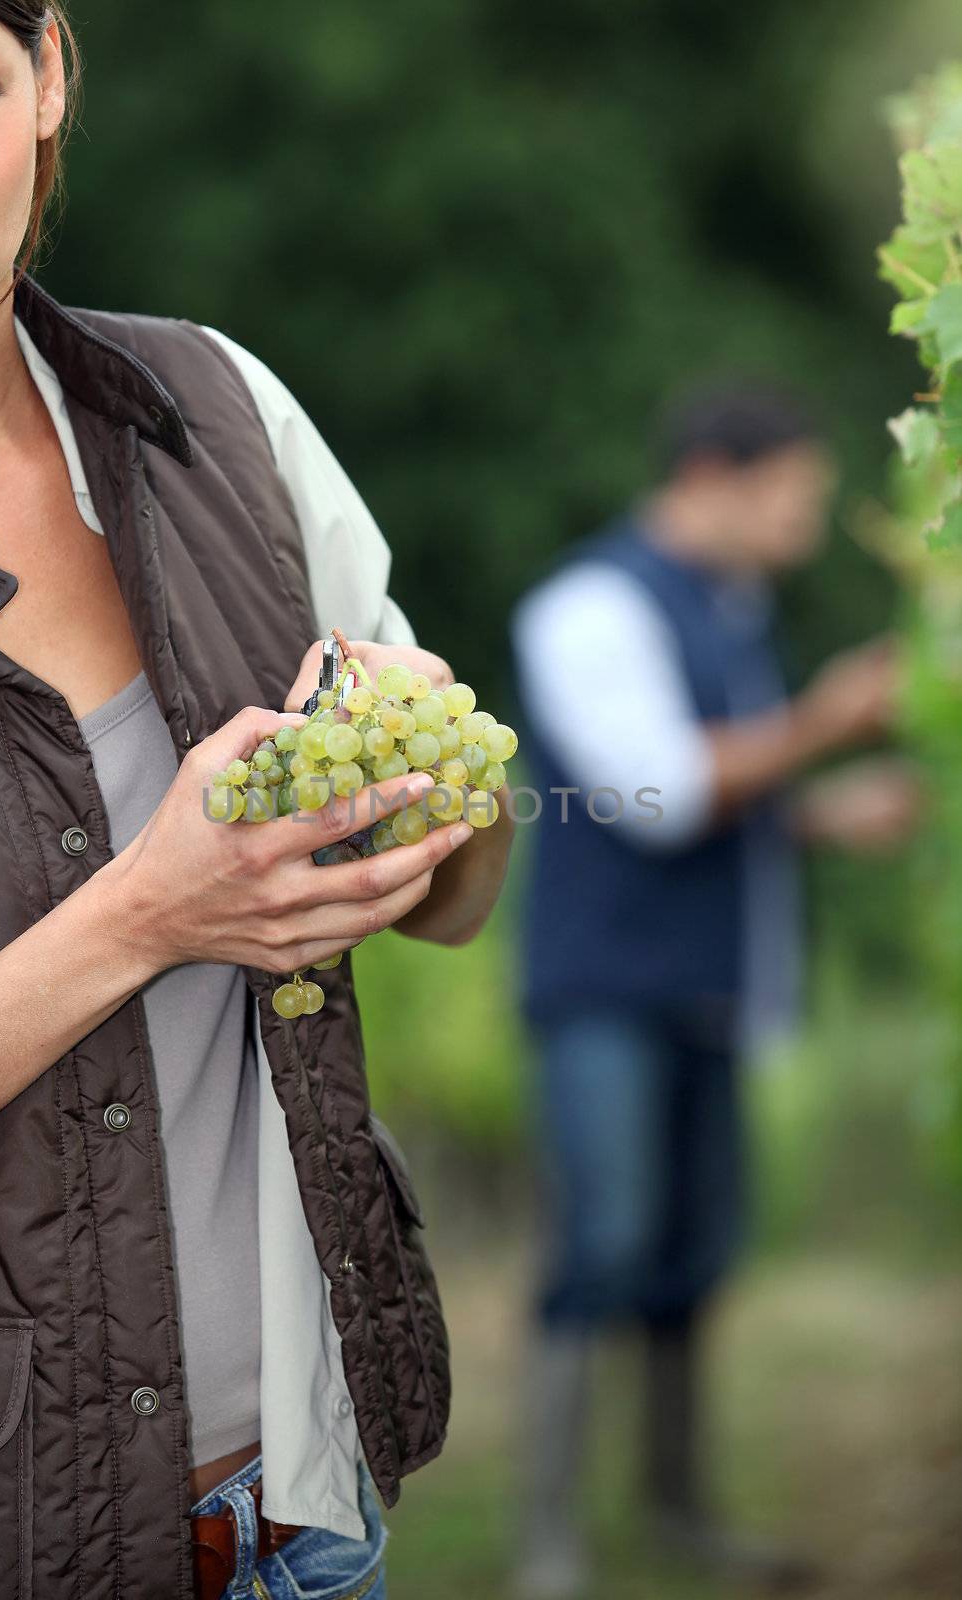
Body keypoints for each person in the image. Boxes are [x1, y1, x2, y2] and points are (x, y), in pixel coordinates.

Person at [0, 5, 515, 1598]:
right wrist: (144, 918)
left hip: (301, 1520)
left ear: (50, 81)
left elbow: (455, 905)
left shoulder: (212, 413)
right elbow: (156, 917)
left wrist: (433, 818)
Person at [507, 379, 921, 1597]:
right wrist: (830, 717)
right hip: (603, 991)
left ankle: (675, 1511)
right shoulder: (588, 605)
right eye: (795, 494)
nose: (810, 519)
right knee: (605, 1240)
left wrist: (810, 817)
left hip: (704, 988)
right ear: (711, 480)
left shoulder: (731, 607)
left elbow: (720, 793)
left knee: (691, 1252)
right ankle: (548, 1539)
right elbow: (656, 793)